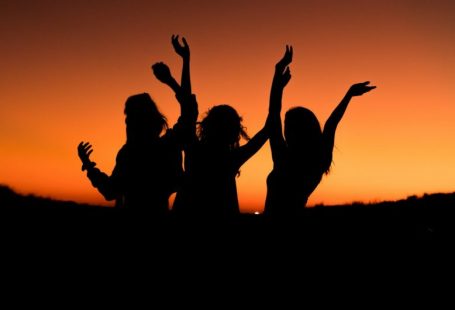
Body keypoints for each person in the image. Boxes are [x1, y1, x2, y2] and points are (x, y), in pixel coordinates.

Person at [156, 35, 271, 219]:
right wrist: (277, 85)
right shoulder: (231, 158)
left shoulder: (195, 149)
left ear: (208, 125)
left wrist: (184, 62)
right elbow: (269, 128)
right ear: (235, 132)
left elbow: (187, 106)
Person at [77, 40, 196, 215]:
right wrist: (178, 70)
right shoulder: (166, 146)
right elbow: (189, 111)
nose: (127, 123)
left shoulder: (129, 154)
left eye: (129, 118)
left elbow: (110, 191)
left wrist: (88, 165)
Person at [264, 46, 376, 217]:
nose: (284, 130)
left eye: (288, 126)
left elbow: (273, 112)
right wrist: (349, 95)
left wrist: (278, 77)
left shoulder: (284, 157)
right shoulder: (318, 158)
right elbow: (331, 124)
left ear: (298, 130)